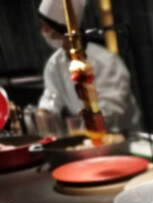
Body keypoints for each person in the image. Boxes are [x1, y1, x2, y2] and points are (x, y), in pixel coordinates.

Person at [37, 0, 141, 134]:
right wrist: (44, 113)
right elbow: (52, 96)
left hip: (121, 134)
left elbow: (112, 104)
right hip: (86, 133)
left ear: (60, 29)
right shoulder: (54, 63)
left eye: (46, 27)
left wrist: (88, 129)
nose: (43, 32)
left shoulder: (105, 61)